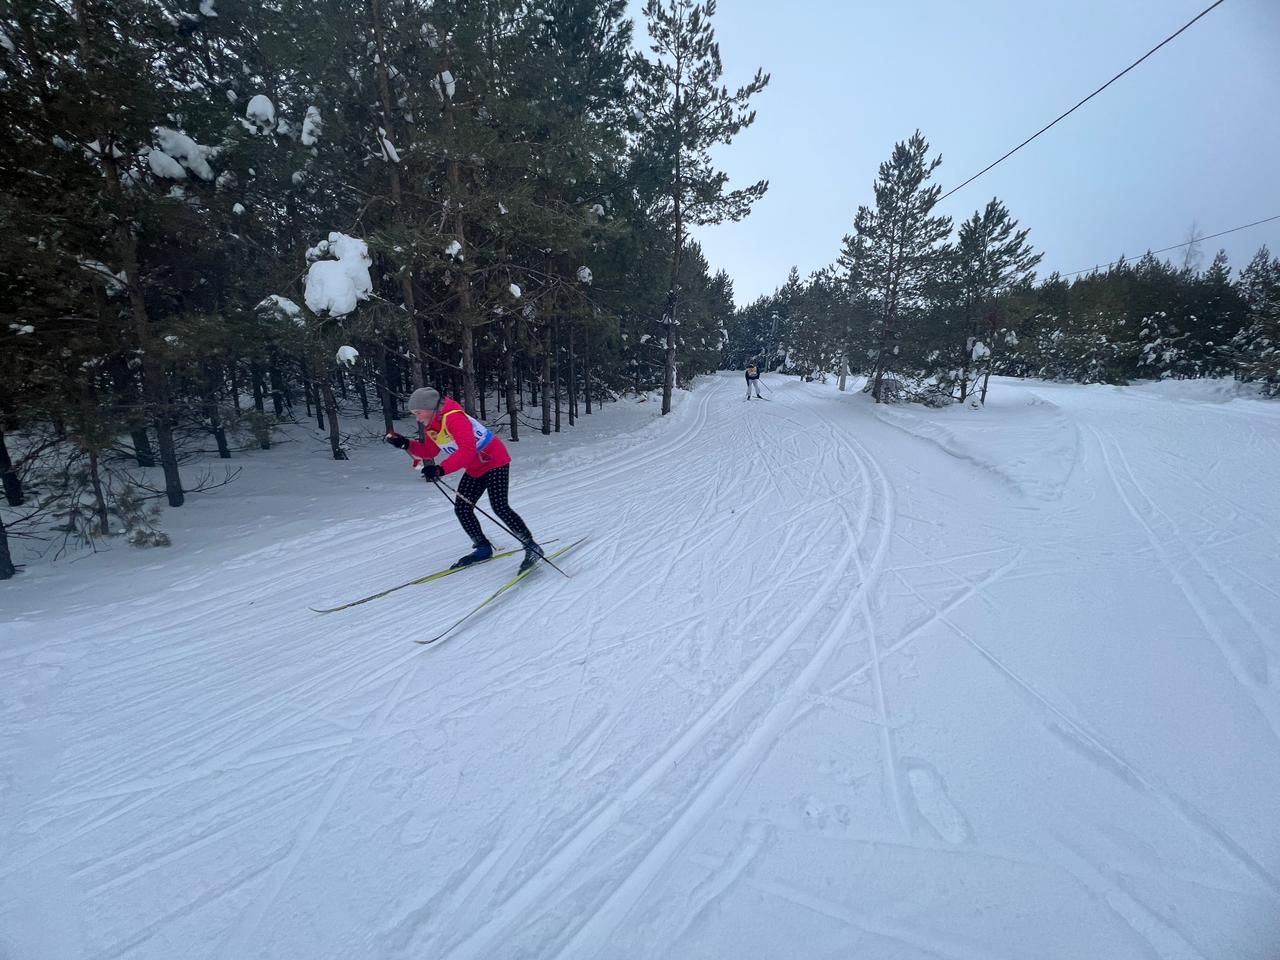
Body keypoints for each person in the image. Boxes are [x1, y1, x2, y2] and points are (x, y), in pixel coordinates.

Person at [385, 387, 543, 571]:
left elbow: (467, 451)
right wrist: (405, 444)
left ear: (430, 407)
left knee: (499, 506)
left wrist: (440, 469)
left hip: (494, 460)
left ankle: (532, 547)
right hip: (476, 467)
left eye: (418, 413)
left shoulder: (454, 418)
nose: (418, 418)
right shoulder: (433, 424)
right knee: (462, 508)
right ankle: (483, 548)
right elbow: (429, 451)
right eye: (415, 414)